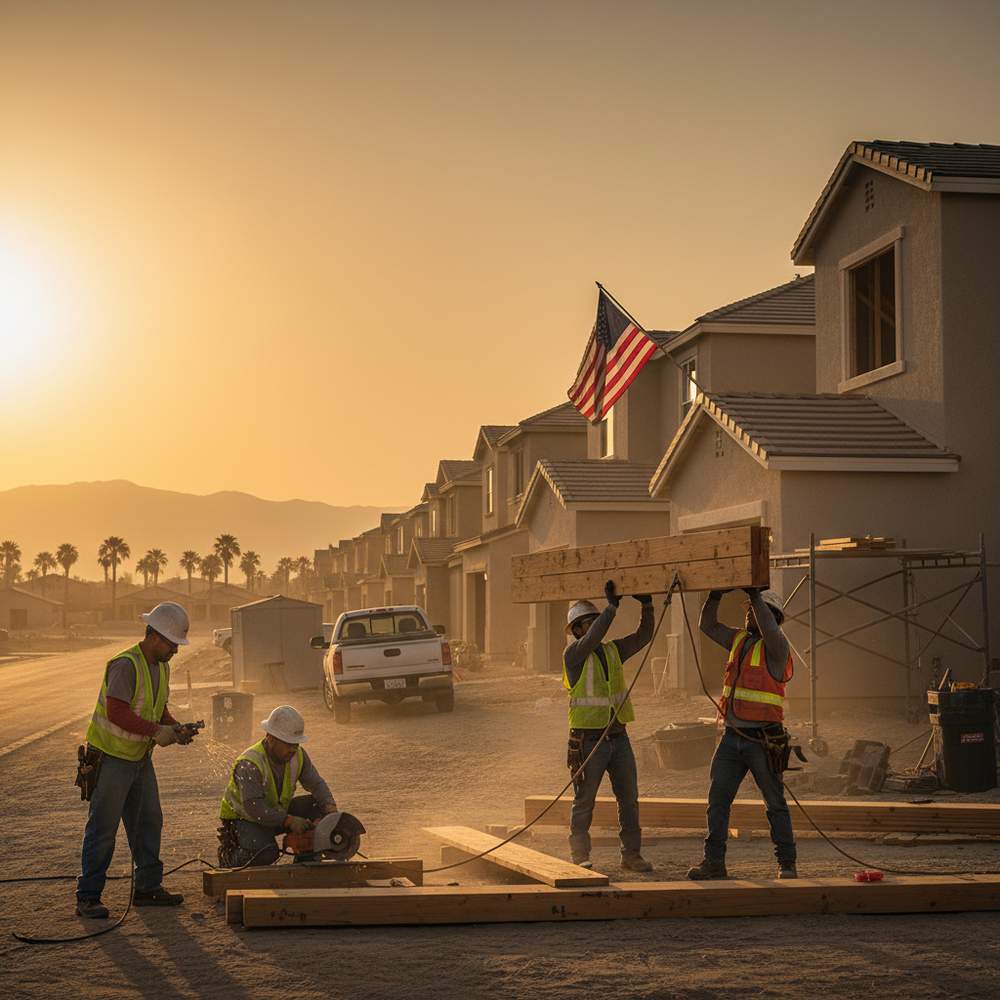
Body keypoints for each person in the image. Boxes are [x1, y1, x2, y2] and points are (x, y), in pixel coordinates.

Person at [76, 601, 199, 919]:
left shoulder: (161, 666)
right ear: (154, 636)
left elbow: (157, 707)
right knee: (103, 828)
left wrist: (174, 727)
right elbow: (117, 712)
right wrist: (156, 731)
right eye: (172, 644)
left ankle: (147, 887)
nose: (176, 650)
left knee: (148, 821)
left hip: (139, 758)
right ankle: (88, 896)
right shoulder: (125, 665)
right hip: (111, 759)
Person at [687, 587, 796, 880]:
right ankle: (714, 863)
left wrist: (757, 598)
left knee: (775, 804)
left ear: (772, 617)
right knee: (717, 801)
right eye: (748, 609)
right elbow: (707, 625)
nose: (748, 614)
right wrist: (714, 596)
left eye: (754, 610)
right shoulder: (738, 640)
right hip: (732, 737)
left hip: (763, 739)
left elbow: (769, 630)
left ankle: (787, 863)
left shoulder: (777, 647)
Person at [563, 579, 655, 872]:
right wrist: (611, 608)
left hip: (618, 737)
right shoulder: (573, 656)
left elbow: (644, 636)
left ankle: (631, 855)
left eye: (595, 620)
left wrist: (647, 605)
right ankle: (580, 855)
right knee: (584, 800)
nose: (594, 626)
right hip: (588, 741)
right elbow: (593, 639)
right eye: (588, 623)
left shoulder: (613, 651)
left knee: (629, 800)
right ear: (577, 631)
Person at [217, 705, 338, 867]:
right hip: (244, 820)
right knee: (266, 853)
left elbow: (316, 784)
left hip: (274, 811)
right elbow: (254, 807)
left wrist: (330, 810)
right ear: (271, 738)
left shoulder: (298, 755)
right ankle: (230, 858)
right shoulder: (250, 763)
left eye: (296, 743)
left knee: (317, 805)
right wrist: (288, 821)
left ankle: (306, 860)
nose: (293, 749)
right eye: (288, 744)